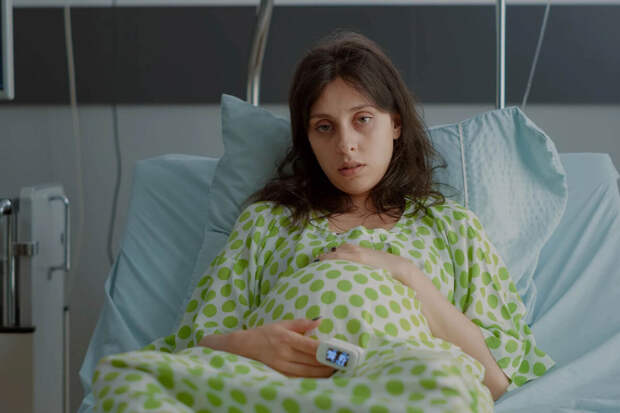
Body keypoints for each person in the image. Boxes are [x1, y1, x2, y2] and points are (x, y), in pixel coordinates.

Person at [92, 30, 555, 413]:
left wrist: (405, 273)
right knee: (124, 382)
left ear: (395, 123)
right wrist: (252, 345)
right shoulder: (266, 222)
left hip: (396, 380)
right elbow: (198, 342)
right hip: (268, 382)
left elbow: (494, 381)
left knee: (451, 392)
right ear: (308, 139)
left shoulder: (451, 226)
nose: (346, 145)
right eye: (324, 127)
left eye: (363, 119)